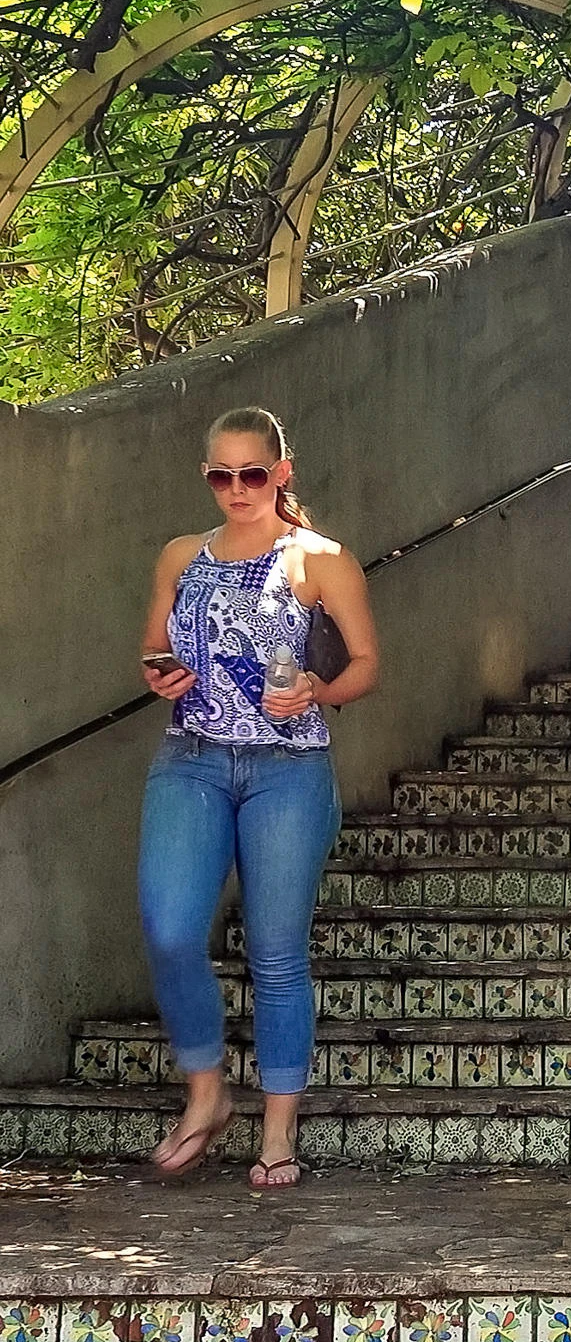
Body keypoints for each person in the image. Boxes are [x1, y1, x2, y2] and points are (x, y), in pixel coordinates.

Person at [137, 407, 379, 1189]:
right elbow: (153, 646)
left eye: (251, 473)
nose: (235, 489)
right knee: (171, 929)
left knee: (276, 952)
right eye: (220, 475)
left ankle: (279, 1129)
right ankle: (207, 1096)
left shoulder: (320, 559)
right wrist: (159, 670)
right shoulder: (180, 553)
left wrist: (319, 687)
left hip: (289, 768)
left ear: (281, 473)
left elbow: (367, 665)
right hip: (192, 757)